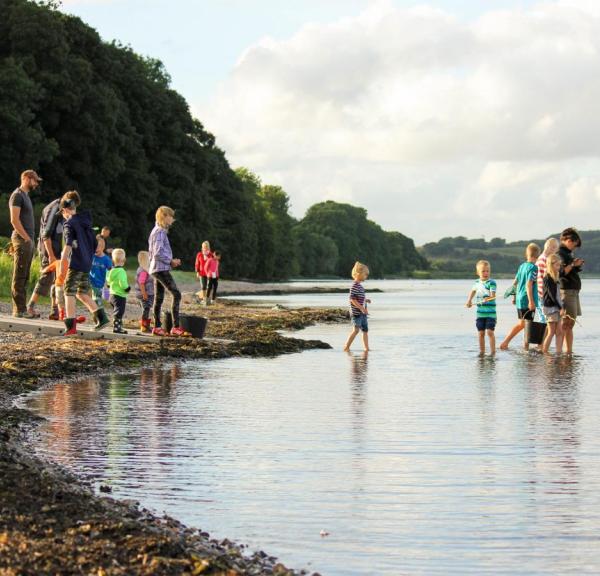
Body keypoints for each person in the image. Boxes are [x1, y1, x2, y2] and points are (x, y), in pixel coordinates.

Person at [59, 191, 110, 335]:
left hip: (76, 263)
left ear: (66, 209)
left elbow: (68, 245)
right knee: (81, 293)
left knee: (68, 291)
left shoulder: (69, 224)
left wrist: (63, 264)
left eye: (62, 211)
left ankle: (70, 326)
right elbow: (94, 244)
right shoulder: (86, 223)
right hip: (87, 263)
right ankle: (102, 318)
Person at [148, 206, 187, 336]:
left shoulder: (156, 230)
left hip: (156, 268)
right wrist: (171, 261)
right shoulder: (160, 231)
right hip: (160, 268)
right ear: (164, 216)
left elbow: (153, 252)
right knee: (176, 294)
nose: (173, 219)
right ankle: (175, 327)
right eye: (171, 216)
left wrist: (170, 260)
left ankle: (157, 327)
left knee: (159, 298)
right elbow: (158, 253)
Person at [8, 169, 42, 318]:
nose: (36, 184)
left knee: (25, 275)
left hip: (27, 241)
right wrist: (27, 238)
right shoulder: (17, 196)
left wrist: (31, 241)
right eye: (35, 180)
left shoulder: (26, 196)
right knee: (19, 275)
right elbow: (14, 220)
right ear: (27, 178)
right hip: (21, 240)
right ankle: (19, 310)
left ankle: (21, 309)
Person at [28, 197, 64, 319]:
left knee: (57, 279)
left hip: (57, 249)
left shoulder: (62, 209)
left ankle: (54, 311)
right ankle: (30, 306)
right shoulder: (54, 209)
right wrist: (51, 256)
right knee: (46, 277)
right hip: (48, 249)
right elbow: (46, 235)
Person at [500, 243, 541, 351]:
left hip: (519, 298)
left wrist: (514, 297)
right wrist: (531, 302)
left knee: (522, 323)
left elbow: (515, 282)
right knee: (527, 324)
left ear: (527, 254)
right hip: (527, 299)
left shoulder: (522, 266)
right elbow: (529, 284)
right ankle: (520, 346)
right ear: (537, 256)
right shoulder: (534, 268)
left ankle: (517, 345)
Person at [558, 227, 583, 355]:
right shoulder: (560, 253)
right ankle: (563, 351)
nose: (574, 247)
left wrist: (576, 266)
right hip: (567, 291)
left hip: (572, 292)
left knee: (570, 323)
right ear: (568, 240)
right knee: (567, 323)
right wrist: (573, 264)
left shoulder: (567, 253)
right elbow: (561, 272)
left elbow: (568, 271)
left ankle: (568, 352)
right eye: (574, 244)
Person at [465, 260, 497, 356]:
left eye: (487, 271)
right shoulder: (476, 282)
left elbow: (493, 295)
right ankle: (482, 352)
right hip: (480, 313)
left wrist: (488, 298)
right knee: (481, 333)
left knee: (490, 332)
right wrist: (469, 301)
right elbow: (473, 291)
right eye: (483, 271)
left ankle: (493, 352)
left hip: (491, 313)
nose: (486, 273)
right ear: (478, 273)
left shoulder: (492, 282)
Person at [343, 261, 371, 352]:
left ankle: (366, 348)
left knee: (365, 331)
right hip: (357, 313)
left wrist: (365, 300)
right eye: (365, 274)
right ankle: (346, 347)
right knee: (356, 330)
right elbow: (353, 299)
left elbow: (359, 298)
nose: (366, 276)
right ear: (359, 273)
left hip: (363, 314)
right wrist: (362, 308)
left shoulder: (360, 286)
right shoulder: (354, 286)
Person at [541, 253, 565, 355]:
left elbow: (559, 295)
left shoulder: (556, 277)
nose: (559, 267)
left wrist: (562, 306)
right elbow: (551, 295)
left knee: (559, 331)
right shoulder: (548, 278)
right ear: (551, 265)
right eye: (557, 265)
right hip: (550, 307)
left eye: (559, 265)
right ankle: (545, 352)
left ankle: (558, 353)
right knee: (551, 331)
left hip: (557, 307)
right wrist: (560, 308)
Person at [535, 237, 559, 322]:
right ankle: (541, 335)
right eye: (556, 248)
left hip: (539, 293)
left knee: (543, 319)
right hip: (543, 294)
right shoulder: (546, 260)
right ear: (550, 247)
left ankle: (539, 335)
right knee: (545, 320)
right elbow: (548, 278)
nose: (556, 251)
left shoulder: (540, 258)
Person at [106, 248, 130, 334]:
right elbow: (122, 282)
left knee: (117, 311)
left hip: (112, 295)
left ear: (113, 260)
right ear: (124, 260)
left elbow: (108, 279)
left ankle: (119, 326)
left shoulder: (111, 270)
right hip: (120, 295)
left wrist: (109, 285)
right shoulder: (121, 271)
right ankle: (116, 328)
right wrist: (126, 288)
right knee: (119, 312)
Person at [89, 236, 112, 310]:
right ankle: (98, 310)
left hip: (102, 283)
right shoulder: (92, 256)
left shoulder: (106, 259)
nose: (95, 249)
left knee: (104, 297)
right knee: (96, 299)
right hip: (91, 283)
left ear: (102, 248)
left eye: (97, 247)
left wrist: (107, 284)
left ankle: (105, 303)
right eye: (94, 246)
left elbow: (110, 271)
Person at [135, 250, 154, 333]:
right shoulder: (143, 271)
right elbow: (141, 283)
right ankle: (144, 325)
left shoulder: (145, 270)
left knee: (147, 308)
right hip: (145, 294)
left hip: (148, 293)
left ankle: (146, 325)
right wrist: (144, 293)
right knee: (146, 308)